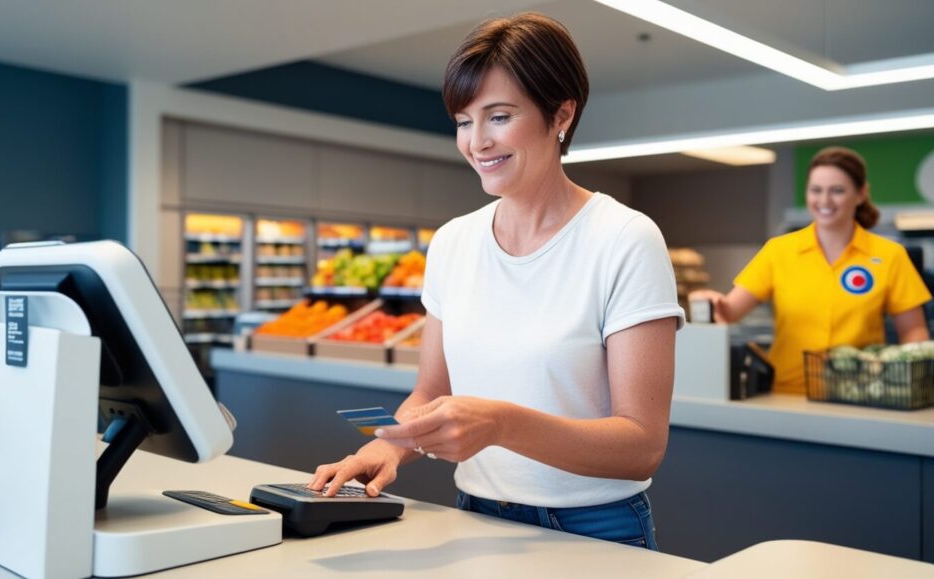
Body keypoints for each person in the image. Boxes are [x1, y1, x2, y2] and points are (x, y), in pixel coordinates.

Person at [308, 12, 684, 549]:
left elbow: (642, 446)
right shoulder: (453, 243)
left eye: (499, 116)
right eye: (463, 121)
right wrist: (391, 446)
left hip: (594, 528)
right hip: (476, 514)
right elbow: (433, 391)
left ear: (562, 114)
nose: (476, 142)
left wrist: (502, 424)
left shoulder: (625, 238)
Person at [691, 146, 931, 394]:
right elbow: (729, 312)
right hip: (786, 393)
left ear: (861, 194)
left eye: (837, 191)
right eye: (816, 190)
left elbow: (914, 330)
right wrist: (708, 300)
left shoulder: (890, 256)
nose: (824, 200)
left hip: (860, 393)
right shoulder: (778, 250)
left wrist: (909, 382)